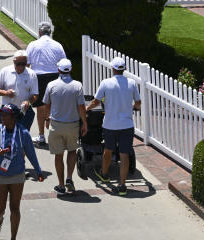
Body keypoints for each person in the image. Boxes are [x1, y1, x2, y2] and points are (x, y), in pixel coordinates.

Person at [0, 104, 44, 239]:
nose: (2, 117)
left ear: (14, 117)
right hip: (0, 174)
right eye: (1, 114)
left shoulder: (23, 133)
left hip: (17, 175)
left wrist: (39, 171)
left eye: (5, 114)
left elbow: (31, 154)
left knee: (15, 208)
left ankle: (13, 238)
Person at [87, 56, 142, 196]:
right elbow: (138, 102)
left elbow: (96, 101)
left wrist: (86, 109)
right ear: (124, 69)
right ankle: (122, 185)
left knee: (108, 149)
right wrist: (134, 108)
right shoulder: (132, 83)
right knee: (124, 154)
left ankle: (104, 174)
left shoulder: (106, 83)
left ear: (112, 68)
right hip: (127, 125)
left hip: (110, 124)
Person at [42, 58, 88, 195]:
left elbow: (47, 104)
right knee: (72, 151)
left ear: (58, 70)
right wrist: (85, 123)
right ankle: (69, 178)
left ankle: (61, 185)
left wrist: (46, 119)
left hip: (56, 124)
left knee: (58, 155)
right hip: (72, 125)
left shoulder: (51, 85)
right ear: (70, 70)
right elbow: (81, 107)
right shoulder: (77, 85)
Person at [26, 22, 66, 146]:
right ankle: (57, 136)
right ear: (50, 32)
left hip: (38, 77)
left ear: (39, 33)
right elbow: (63, 63)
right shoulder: (57, 45)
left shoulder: (33, 44)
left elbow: (27, 64)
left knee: (41, 107)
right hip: (54, 76)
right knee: (55, 107)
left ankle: (41, 135)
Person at [0, 50, 38, 131]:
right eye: (18, 64)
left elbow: (35, 94)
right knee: (6, 135)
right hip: (7, 111)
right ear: (14, 61)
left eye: (23, 64)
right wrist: (6, 93)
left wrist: (28, 102)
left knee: (22, 136)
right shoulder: (5, 71)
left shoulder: (32, 74)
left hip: (24, 111)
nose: (21, 67)